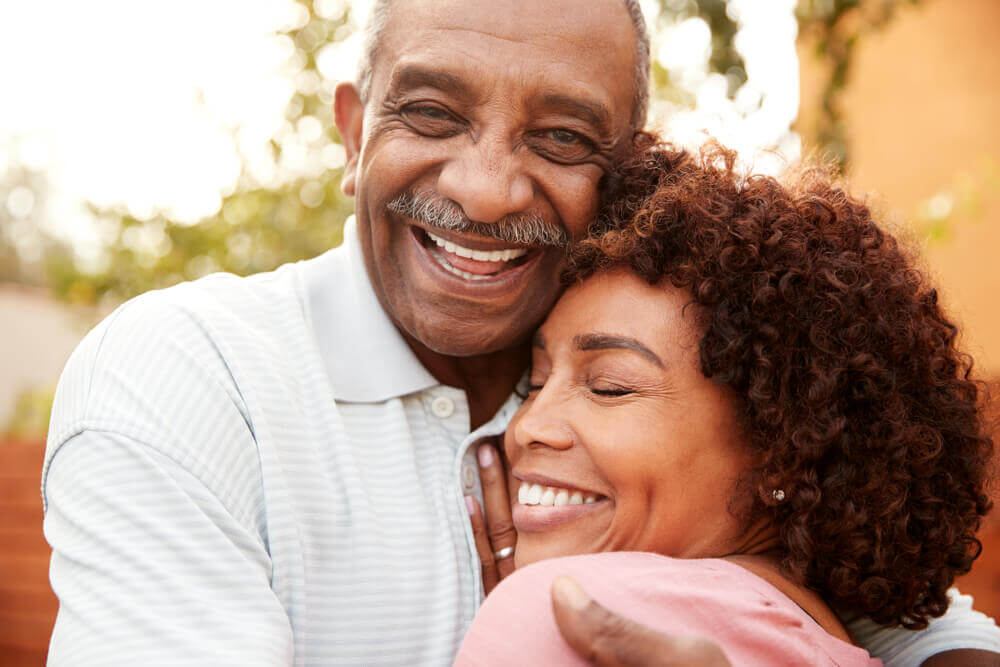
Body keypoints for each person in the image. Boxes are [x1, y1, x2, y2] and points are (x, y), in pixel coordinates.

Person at [40, 0, 999, 663]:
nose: (485, 191)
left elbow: (920, 628)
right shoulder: (189, 376)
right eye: (429, 113)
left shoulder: (692, 355)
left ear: (631, 169)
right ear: (350, 134)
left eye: (563, 138)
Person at [456, 140, 1000, 665]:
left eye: (609, 386)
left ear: (783, 449)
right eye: (536, 381)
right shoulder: (827, 637)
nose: (527, 426)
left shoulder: (566, 614)